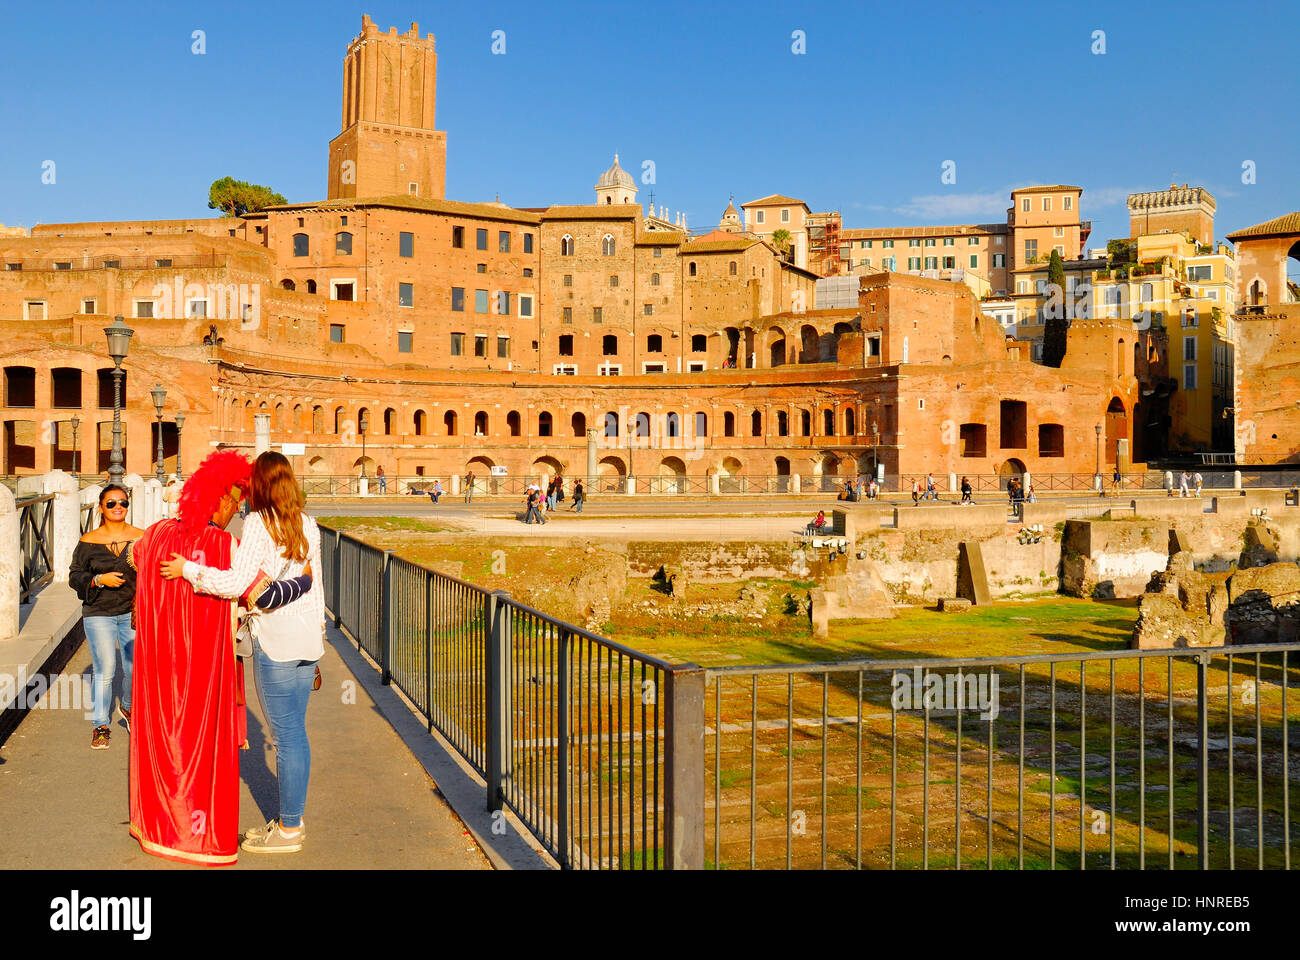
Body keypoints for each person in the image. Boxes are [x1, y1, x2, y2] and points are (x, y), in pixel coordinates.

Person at [161, 452, 325, 855]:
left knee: (286, 739)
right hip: (306, 640)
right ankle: (291, 819)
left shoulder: (257, 524)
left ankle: (289, 831)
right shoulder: (309, 525)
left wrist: (188, 571)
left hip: (277, 641)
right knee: (296, 735)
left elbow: (235, 582)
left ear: (261, 485)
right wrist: (318, 641)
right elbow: (316, 586)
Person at [127, 450, 254, 865]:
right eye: (234, 501)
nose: (236, 510)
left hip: (159, 662)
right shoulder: (227, 545)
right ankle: (196, 836)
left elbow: (134, 557)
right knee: (199, 746)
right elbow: (253, 591)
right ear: (218, 499)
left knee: (162, 739)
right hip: (202, 664)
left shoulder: (157, 533)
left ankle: (158, 825)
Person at [69, 484, 146, 750]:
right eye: (111, 504)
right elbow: (74, 576)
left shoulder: (141, 537)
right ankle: (100, 725)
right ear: (101, 507)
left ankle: (127, 708)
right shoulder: (89, 540)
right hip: (98, 612)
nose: (117, 508)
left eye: (122, 503)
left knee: (134, 668)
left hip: (132, 612)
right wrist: (99, 579)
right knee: (105, 671)